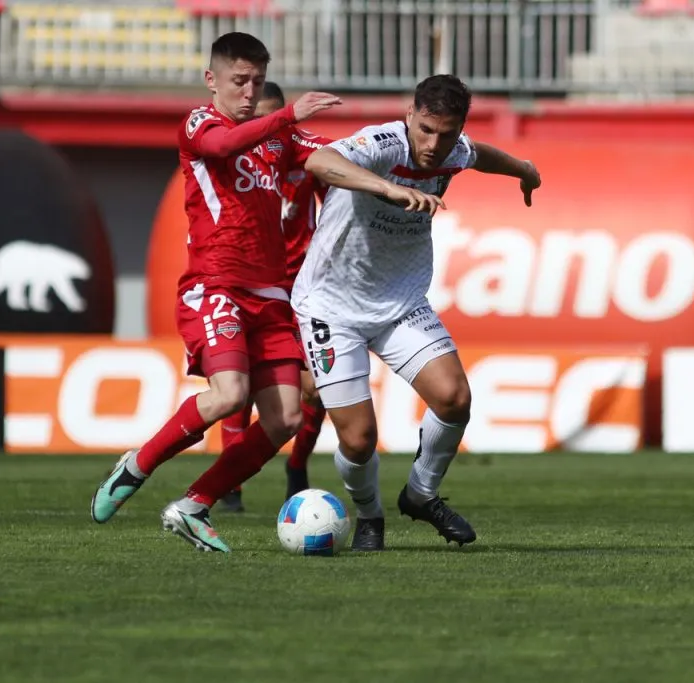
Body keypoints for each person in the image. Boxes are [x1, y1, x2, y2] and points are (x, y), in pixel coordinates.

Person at [89, 32, 341, 552]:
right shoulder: (201, 124)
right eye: (239, 80)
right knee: (230, 396)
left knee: (286, 418)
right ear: (212, 80)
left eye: (257, 81)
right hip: (215, 285)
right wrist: (289, 114)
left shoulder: (279, 139)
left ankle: (194, 505)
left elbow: (332, 157)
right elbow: (224, 146)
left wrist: (392, 179)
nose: (249, 91)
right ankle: (136, 465)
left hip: (271, 295)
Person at [293, 74, 542, 551]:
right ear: (410, 116)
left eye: (446, 134)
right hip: (331, 306)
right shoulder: (382, 144)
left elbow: (481, 155)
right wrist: (385, 189)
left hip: (400, 301)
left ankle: (421, 495)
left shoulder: (454, 150)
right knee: (360, 438)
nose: (433, 145)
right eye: (425, 129)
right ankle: (370, 517)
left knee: (454, 397)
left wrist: (524, 169)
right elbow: (319, 160)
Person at [217, 81, 330, 514]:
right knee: (238, 387)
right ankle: (231, 483)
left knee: (316, 390)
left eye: (273, 120)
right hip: (249, 281)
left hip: (302, 287)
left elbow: (334, 200)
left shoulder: (303, 157)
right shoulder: (232, 156)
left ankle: (297, 465)